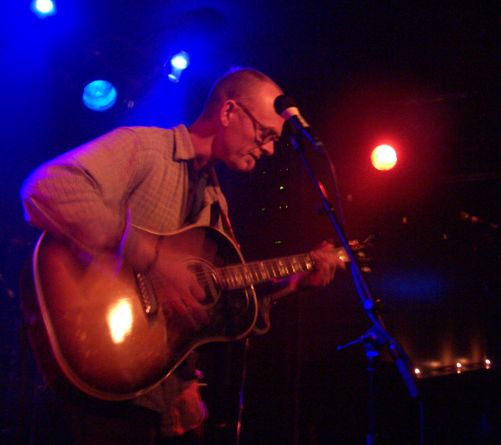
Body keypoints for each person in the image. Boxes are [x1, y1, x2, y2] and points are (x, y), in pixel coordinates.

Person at [20, 67, 345, 444]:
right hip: (97, 368)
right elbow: (46, 189)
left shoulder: (216, 203)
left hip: (154, 393)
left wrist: (295, 284)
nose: (270, 149)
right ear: (229, 112)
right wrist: (152, 258)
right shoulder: (146, 148)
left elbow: (224, 306)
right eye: (265, 134)